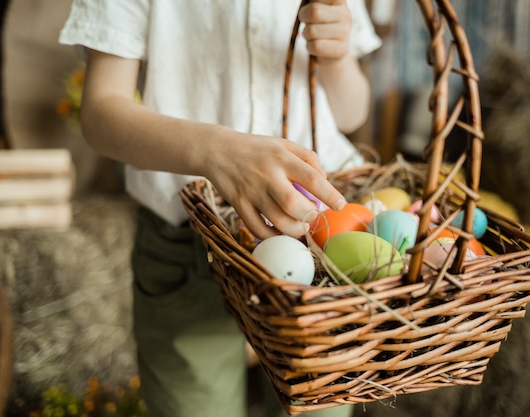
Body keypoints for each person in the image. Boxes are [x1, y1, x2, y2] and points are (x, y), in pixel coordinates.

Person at [59, 1, 381, 416]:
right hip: (187, 243)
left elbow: (352, 111)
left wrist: (336, 58)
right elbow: (100, 113)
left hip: (322, 249)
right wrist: (216, 152)